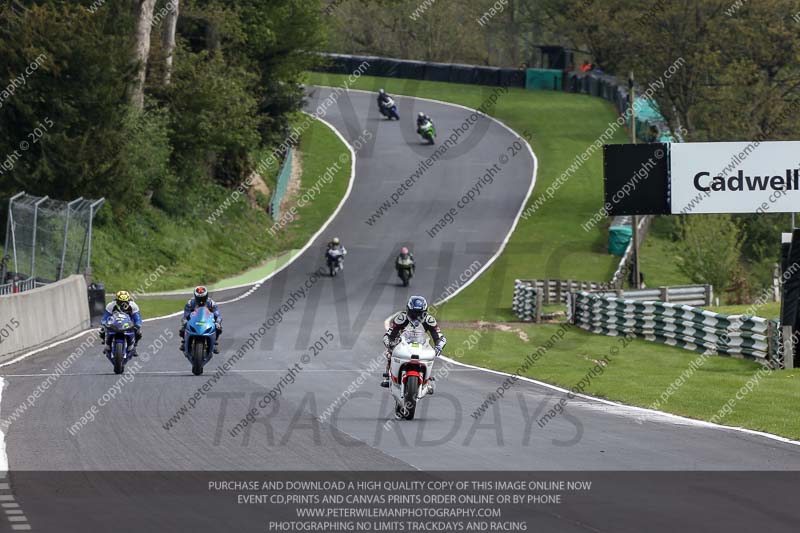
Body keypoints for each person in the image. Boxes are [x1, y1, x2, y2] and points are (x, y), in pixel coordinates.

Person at [381, 296, 446, 388]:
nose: (416, 317)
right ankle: (388, 376)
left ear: (425, 312)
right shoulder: (401, 318)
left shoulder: (429, 320)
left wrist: (438, 346)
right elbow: (389, 334)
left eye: (419, 313)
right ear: (408, 310)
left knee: (430, 356)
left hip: (421, 345)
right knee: (389, 353)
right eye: (414, 313)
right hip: (402, 343)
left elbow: (440, 337)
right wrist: (389, 344)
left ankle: (427, 380)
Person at [180, 286, 222, 354]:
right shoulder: (190, 303)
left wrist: (218, 322)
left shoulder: (211, 303)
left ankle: (214, 343)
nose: (201, 300)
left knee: (218, 328)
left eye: (202, 298)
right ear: (195, 297)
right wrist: (185, 321)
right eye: (199, 298)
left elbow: (217, 315)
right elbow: (186, 314)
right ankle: (184, 342)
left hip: (207, 321)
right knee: (183, 328)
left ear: (206, 296)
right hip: (194, 320)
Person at [99, 290, 142, 356]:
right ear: (117, 300)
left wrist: (137, 325)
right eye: (120, 302)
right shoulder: (111, 305)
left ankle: (134, 347)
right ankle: (106, 344)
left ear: (128, 300)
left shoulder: (133, 306)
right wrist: (104, 324)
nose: (123, 304)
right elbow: (105, 317)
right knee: (102, 330)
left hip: (128, 323)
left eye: (125, 302)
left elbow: (137, 318)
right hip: (114, 322)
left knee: (138, 333)